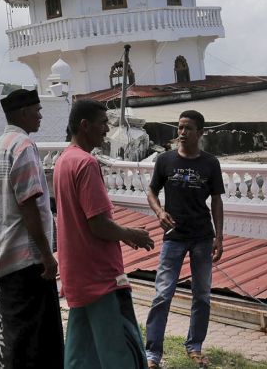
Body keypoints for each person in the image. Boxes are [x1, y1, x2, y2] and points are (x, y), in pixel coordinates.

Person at [54, 100, 155, 368]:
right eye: (102, 123)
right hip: (98, 273)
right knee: (119, 349)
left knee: (81, 350)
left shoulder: (64, 160)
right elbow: (98, 224)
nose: (106, 129)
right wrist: (132, 234)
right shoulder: (86, 164)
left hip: (75, 271)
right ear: (85, 125)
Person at [0, 88, 63, 368]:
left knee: (11, 326)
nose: (40, 115)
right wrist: (46, 255)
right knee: (34, 335)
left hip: (3, 253)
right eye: (37, 110)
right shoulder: (23, 146)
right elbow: (29, 205)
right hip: (26, 258)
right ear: (23, 112)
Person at [144, 110, 224, 369]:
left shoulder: (210, 163)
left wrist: (219, 236)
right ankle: (153, 353)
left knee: (201, 295)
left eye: (188, 128)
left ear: (200, 133)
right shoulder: (165, 160)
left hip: (202, 237)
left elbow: (217, 201)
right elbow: (152, 190)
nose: (182, 132)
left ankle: (195, 346)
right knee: (162, 294)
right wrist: (159, 212)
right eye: (180, 127)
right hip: (173, 238)